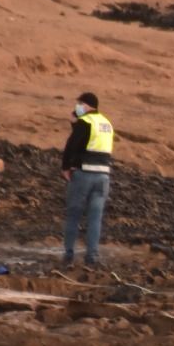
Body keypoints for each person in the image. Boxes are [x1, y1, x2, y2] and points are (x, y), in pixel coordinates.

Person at [61, 92, 114, 268]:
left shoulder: (86, 122)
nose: (78, 106)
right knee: (95, 217)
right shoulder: (107, 123)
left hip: (85, 174)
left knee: (74, 215)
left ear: (86, 105)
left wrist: (66, 167)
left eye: (79, 103)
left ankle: (69, 254)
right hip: (103, 176)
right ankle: (92, 256)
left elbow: (73, 145)